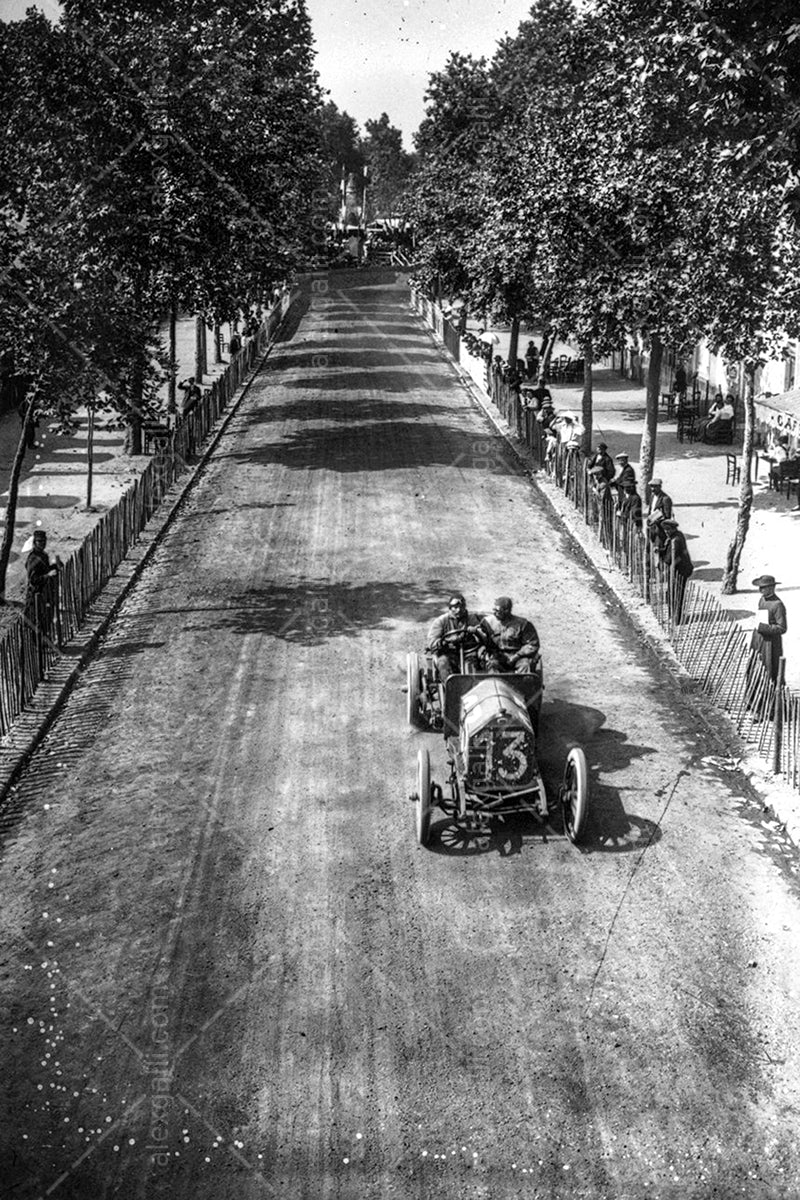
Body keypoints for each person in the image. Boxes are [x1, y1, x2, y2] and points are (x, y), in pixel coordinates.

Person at [478, 597, 540, 674]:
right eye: (494, 610)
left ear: (507, 611)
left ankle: (522, 685)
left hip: (518, 656)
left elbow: (532, 644)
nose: (494, 613)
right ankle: (495, 685)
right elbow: (480, 641)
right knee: (492, 666)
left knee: (526, 666)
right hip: (498, 657)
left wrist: (517, 656)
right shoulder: (487, 623)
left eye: (498, 611)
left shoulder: (522, 624)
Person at [428, 594, 481, 682]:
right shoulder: (441, 621)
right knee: (443, 663)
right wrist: (446, 641)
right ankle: (449, 689)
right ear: (450, 608)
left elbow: (483, 636)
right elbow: (432, 642)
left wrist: (475, 631)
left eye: (461, 607)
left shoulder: (472, 619)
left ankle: (472, 688)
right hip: (448, 654)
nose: (458, 610)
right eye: (455, 607)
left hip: (468, 654)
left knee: (472, 668)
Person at [750, 575, 787, 685]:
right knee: (756, 666)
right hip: (759, 639)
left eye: (763, 587)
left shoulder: (778, 604)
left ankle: (772, 696)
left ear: (772, 588)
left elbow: (782, 628)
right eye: (760, 587)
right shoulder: (762, 599)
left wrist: (764, 628)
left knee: (770, 669)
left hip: (771, 644)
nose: (760, 590)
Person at [658, 519, 693, 622]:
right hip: (678, 569)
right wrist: (660, 551)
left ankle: (676, 618)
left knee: (676, 593)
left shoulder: (676, 540)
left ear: (673, 529)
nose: (666, 532)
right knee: (673, 592)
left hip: (680, 570)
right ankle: (674, 615)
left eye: (668, 530)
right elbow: (667, 549)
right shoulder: (675, 536)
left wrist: (662, 561)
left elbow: (669, 558)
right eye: (665, 530)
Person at [645, 477, 673, 547]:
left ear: (660, 487)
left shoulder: (665, 499)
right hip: (651, 527)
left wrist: (657, 520)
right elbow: (650, 510)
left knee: (659, 547)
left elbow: (667, 516)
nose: (652, 489)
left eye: (655, 487)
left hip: (660, 529)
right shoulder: (652, 497)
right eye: (651, 487)